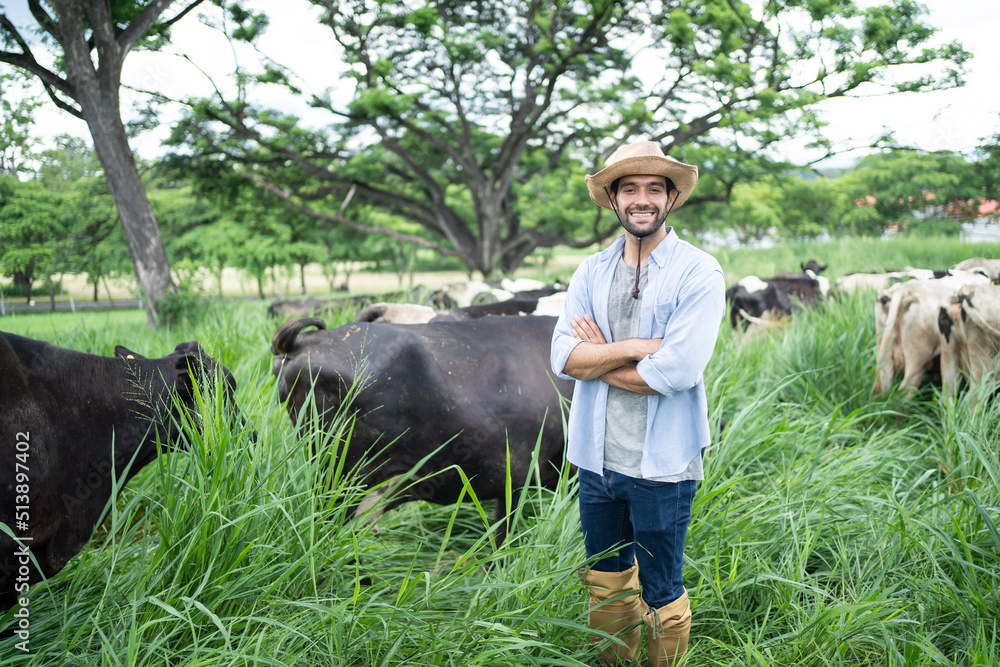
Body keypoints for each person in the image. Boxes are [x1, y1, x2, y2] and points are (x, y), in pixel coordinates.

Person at [550, 140, 726, 666]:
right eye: (630, 189)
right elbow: (563, 356)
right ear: (613, 199)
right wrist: (632, 349)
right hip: (597, 458)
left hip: (663, 464)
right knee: (604, 579)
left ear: (671, 198)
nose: (642, 199)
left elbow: (676, 370)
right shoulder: (591, 271)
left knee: (661, 587)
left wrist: (598, 357)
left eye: (654, 188)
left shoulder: (699, 271)